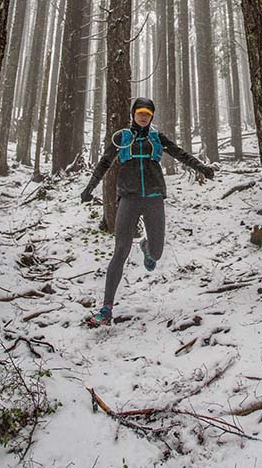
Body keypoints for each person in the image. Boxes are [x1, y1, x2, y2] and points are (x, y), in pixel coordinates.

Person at [80, 96, 215, 327]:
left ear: (151, 116)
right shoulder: (122, 138)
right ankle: (106, 309)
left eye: (147, 113)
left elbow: (180, 153)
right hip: (129, 199)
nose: (143, 116)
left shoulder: (157, 138)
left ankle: (146, 249)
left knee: (157, 252)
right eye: (139, 112)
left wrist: (201, 168)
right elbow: (104, 162)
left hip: (153, 198)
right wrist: (89, 188)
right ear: (133, 114)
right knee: (120, 251)